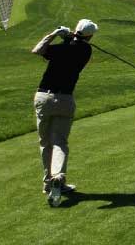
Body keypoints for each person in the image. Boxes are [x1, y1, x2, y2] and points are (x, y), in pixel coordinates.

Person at [32, 19, 98, 207]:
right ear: (90, 36)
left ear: (75, 31)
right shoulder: (86, 51)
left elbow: (38, 50)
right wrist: (70, 37)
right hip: (65, 100)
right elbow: (75, 45)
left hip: (43, 98)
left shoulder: (61, 48)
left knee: (45, 143)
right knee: (59, 142)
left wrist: (54, 34)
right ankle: (58, 176)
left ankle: (48, 183)